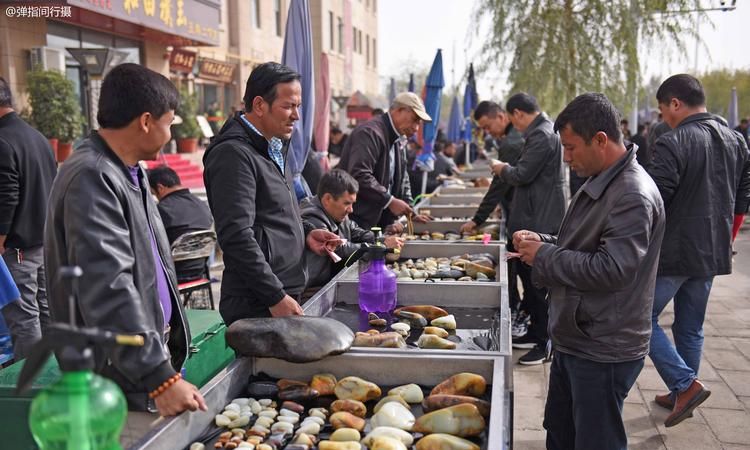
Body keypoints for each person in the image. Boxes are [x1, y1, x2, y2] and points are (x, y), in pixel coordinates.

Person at [44, 64, 207, 430]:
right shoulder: (93, 175)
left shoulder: (128, 170)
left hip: (135, 364)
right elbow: (107, 285)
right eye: (170, 123)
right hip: (117, 376)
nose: (171, 134)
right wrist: (158, 375)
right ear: (146, 121)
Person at [513, 92, 665, 450]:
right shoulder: (603, 179)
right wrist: (543, 240)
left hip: (603, 344)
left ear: (600, 139)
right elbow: (583, 243)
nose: (566, 158)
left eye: (570, 148)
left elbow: (613, 269)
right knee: (562, 433)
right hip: (577, 336)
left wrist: (545, 256)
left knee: (596, 440)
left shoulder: (631, 194)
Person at [646, 74, 750, 427]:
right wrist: (729, 237)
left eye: (663, 111)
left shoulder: (674, 142)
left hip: (676, 251)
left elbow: (656, 200)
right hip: (713, 248)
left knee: (638, 319)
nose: (663, 119)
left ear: (675, 104)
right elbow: (742, 198)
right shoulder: (736, 140)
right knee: (690, 327)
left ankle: (684, 385)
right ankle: (681, 394)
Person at [203, 62, 339, 325]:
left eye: (298, 107)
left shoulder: (276, 145)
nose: (296, 116)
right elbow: (235, 235)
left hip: (285, 289)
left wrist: (306, 232)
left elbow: (277, 211)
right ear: (259, 105)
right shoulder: (233, 154)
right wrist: (273, 296)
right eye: (288, 106)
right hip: (257, 302)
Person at [489, 92, 566, 365]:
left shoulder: (542, 135)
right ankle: (535, 332)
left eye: (513, 119)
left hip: (539, 219)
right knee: (530, 281)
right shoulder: (540, 133)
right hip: (534, 215)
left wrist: (501, 168)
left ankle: (546, 343)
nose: (514, 125)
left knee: (537, 285)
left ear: (518, 113)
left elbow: (522, 174)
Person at [0, 76, 57, 360]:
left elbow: (6, 196)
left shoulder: (2, 139)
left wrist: (1, 239)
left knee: (23, 320)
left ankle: (29, 390)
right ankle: (50, 379)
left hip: (18, 248)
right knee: (46, 312)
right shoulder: (37, 137)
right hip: (44, 243)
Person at [460, 101, 525, 330]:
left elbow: (499, 185)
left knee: (526, 274)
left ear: (501, 116)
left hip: (522, 213)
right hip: (517, 209)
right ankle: (525, 318)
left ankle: (526, 321)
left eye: (488, 126)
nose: (488, 132)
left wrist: (477, 220)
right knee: (522, 272)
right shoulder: (512, 138)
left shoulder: (512, 142)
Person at [338, 92, 432, 230]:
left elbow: (403, 179)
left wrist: (409, 211)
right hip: (357, 220)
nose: (416, 128)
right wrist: (390, 201)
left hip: (378, 222)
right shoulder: (370, 133)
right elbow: (359, 174)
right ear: (399, 110)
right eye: (415, 119)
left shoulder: (398, 138)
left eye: (419, 123)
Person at [301, 169, 404, 288]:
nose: (351, 210)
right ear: (327, 199)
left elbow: (357, 232)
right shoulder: (312, 218)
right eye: (346, 203)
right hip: (313, 290)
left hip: (330, 282)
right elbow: (339, 248)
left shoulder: (336, 213)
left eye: (352, 203)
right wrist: (381, 247)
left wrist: (382, 238)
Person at [147, 165, 214, 282]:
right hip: (200, 271)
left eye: (154, 193)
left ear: (160, 187)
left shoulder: (162, 209)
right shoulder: (201, 204)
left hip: (172, 274)